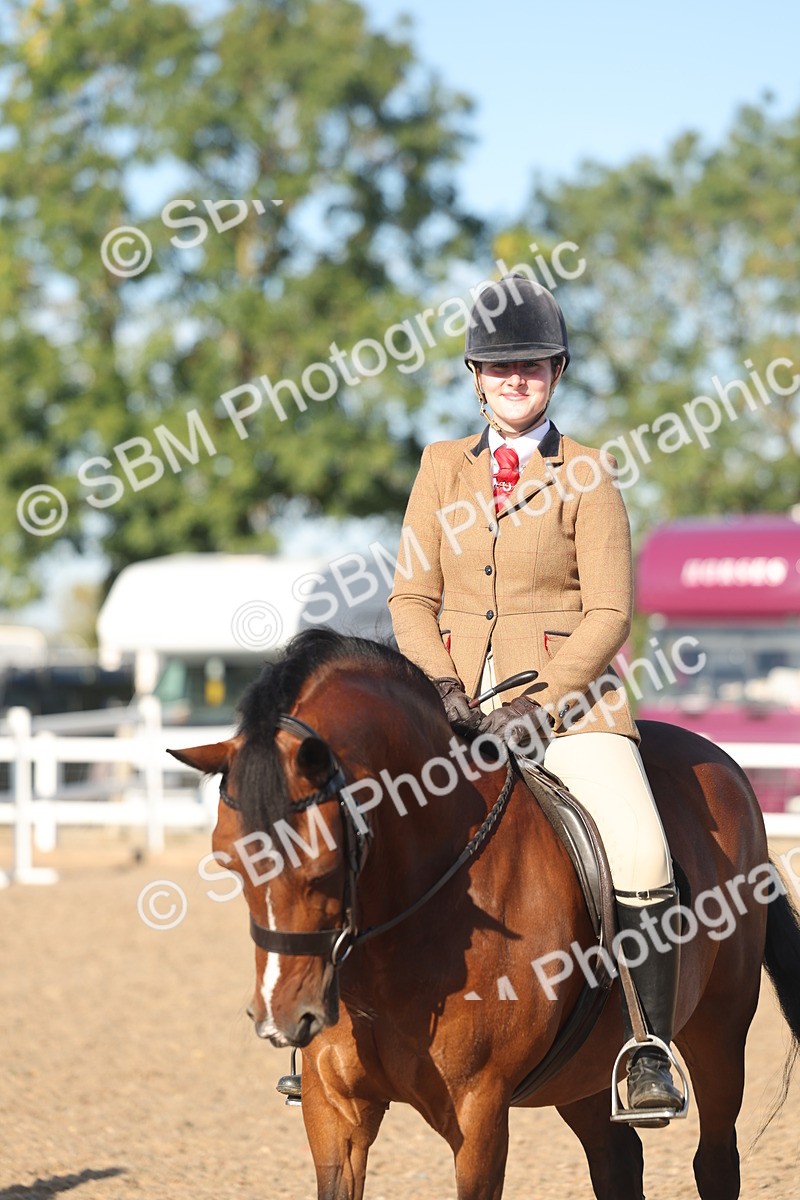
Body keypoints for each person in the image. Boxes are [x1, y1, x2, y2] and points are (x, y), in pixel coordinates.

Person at [387, 273, 685, 1124]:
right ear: (474, 376)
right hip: (455, 702)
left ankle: (649, 1047)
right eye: (499, 367)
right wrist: (441, 682)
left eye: (532, 367)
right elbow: (411, 596)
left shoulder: (588, 472)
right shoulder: (441, 468)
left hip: (572, 705)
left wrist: (544, 705)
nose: (515, 380)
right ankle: (338, 1027)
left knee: (640, 850)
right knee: (362, 822)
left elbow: (610, 612)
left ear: (556, 372)